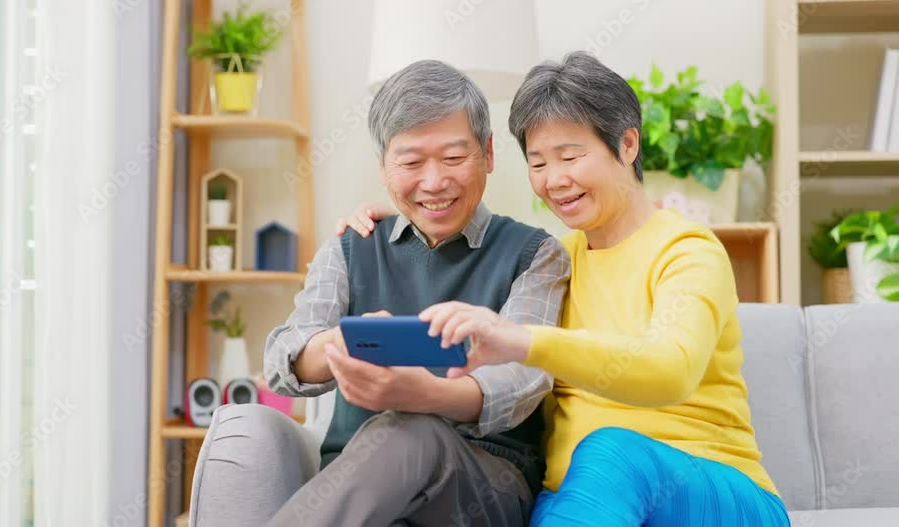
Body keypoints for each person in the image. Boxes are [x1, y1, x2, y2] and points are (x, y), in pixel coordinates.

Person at [340, 52, 790, 526]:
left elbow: (671, 369)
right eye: (538, 163)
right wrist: (409, 220)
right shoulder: (552, 260)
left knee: (611, 449)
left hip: (714, 494)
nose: (555, 180)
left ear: (628, 144)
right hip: (579, 501)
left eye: (571, 156)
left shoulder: (687, 250)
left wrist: (521, 341)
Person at [188, 59, 570, 527]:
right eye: (411, 162)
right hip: (354, 490)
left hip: (481, 488)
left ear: (488, 154)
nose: (433, 182)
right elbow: (282, 362)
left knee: (407, 432)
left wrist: (425, 394)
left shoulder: (534, 254)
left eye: (453, 158)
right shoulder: (352, 248)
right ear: (385, 167)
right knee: (384, 433)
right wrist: (339, 345)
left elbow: (522, 382)